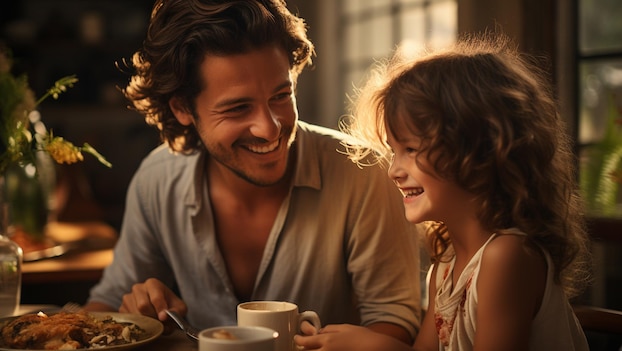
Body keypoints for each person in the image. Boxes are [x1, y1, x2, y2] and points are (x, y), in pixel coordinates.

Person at [83, 0, 423, 344]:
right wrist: (137, 311)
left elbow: (394, 322)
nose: (270, 128)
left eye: (280, 95)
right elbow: (107, 305)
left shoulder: (362, 172)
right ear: (183, 108)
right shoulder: (157, 180)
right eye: (238, 107)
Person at [294, 32, 592, 350]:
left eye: (411, 149)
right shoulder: (445, 268)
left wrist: (376, 347)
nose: (394, 171)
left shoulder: (507, 257)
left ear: (481, 150)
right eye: (394, 151)